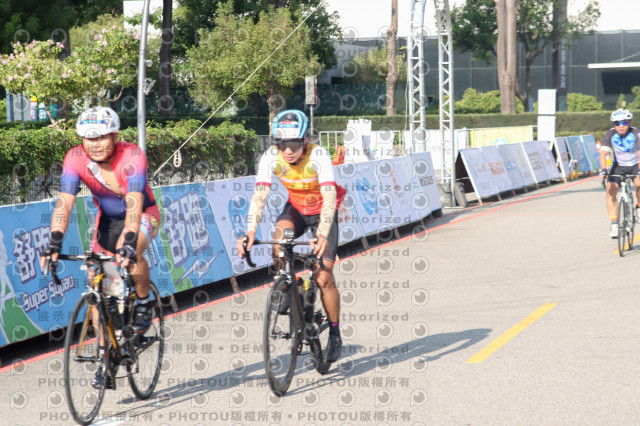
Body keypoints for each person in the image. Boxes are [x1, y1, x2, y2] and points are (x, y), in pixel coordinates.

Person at [40, 106, 160, 388]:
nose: (95, 144)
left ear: (115, 135)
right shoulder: (75, 158)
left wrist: (129, 242)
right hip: (107, 220)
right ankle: (107, 356)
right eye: (88, 138)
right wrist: (54, 241)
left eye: (101, 137)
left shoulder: (132, 155)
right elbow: (65, 203)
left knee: (129, 250)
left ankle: (145, 302)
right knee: (99, 285)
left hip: (142, 213)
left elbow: (134, 202)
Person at [236, 109, 346, 363]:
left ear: (305, 140)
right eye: (282, 144)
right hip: (296, 209)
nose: (287, 150)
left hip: (323, 213)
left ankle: (335, 333)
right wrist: (250, 231)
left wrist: (321, 234)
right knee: (279, 243)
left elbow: (329, 198)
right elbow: (259, 197)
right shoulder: (271, 157)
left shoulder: (318, 155)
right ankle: (291, 285)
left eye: (294, 144)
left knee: (323, 277)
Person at [599, 108, 640, 238]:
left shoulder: (635, 133)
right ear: (614, 125)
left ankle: (639, 207)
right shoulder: (610, 134)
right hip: (618, 166)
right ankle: (614, 224)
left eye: (624, 123)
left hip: (635, 164)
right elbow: (603, 154)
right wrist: (604, 170)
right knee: (610, 190)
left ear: (629, 123)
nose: (621, 126)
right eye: (617, 123)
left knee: (639, 184)